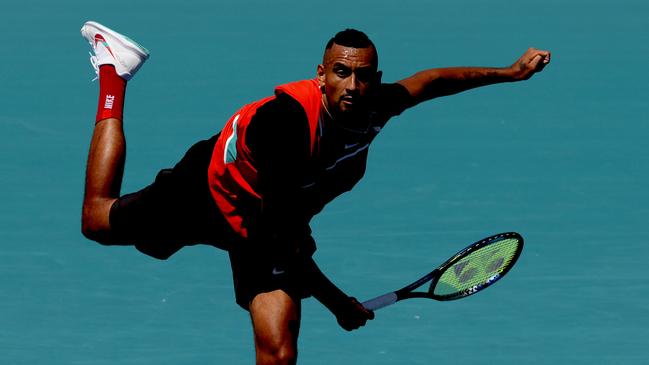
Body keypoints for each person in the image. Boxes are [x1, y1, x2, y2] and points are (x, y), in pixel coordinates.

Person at [80, 21, 550, 364]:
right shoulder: (286, 129)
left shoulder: (375, 106)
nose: (352, 85)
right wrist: (337, 302)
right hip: (208, 194)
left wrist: (508, 73)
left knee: (279, 350)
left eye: (364, 75)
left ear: (375, 79)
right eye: (341, 73)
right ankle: (113, 72)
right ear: (321, 74)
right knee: (97, 221)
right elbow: (278, 237)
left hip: (269, 220)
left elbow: (431, 82)